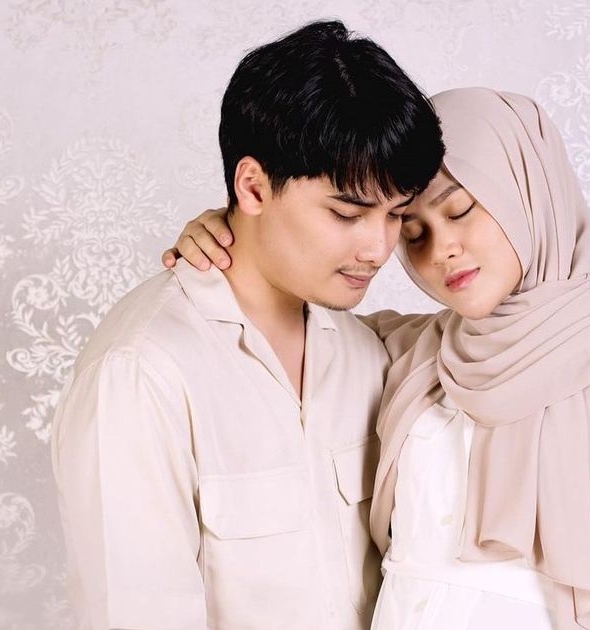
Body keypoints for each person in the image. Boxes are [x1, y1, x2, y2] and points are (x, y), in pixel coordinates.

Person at [166, 88, 590, 629]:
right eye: (413, 231)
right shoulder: (410, 355)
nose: (441, 250)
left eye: (460, 211)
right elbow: (288, 314)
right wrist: (234, 231)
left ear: (528, 193)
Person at [50, 20, 444, 630]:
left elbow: (517, 337)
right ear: (253, 187)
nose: (378, 248)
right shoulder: (141, 372)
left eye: (396, 215)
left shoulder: (375, 352)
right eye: (347, 213)